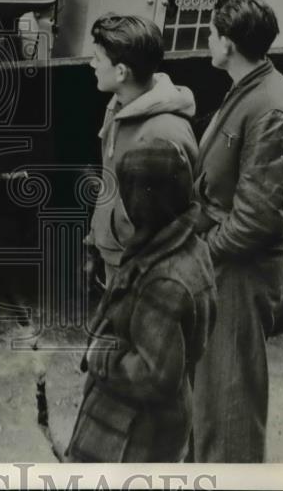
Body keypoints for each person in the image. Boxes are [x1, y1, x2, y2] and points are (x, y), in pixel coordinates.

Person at [190, 0, 283, 463]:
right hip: (229, 264)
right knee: (212, 392)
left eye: (213, 33)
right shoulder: (249, 85)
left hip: (242, 270)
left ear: (229, 43)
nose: (208, 41)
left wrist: (204, 251)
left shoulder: (269, 106)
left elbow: (257, 217)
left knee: (231, 396)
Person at [67, 140, 217, 462]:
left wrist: (100, 354)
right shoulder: (183, 244)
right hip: (146, 424)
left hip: (133, 436)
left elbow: (154, 375)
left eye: (124, 194)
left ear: (143, 202)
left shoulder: (164, 281)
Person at [85, 13, 199, 287]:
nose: (92, 65)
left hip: (140, 274)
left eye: (98, 59)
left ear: (121, 72)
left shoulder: (161, 136)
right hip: (116, 256)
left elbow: (166, 234)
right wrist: (95, 241)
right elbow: (109, 180)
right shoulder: (120, 106)